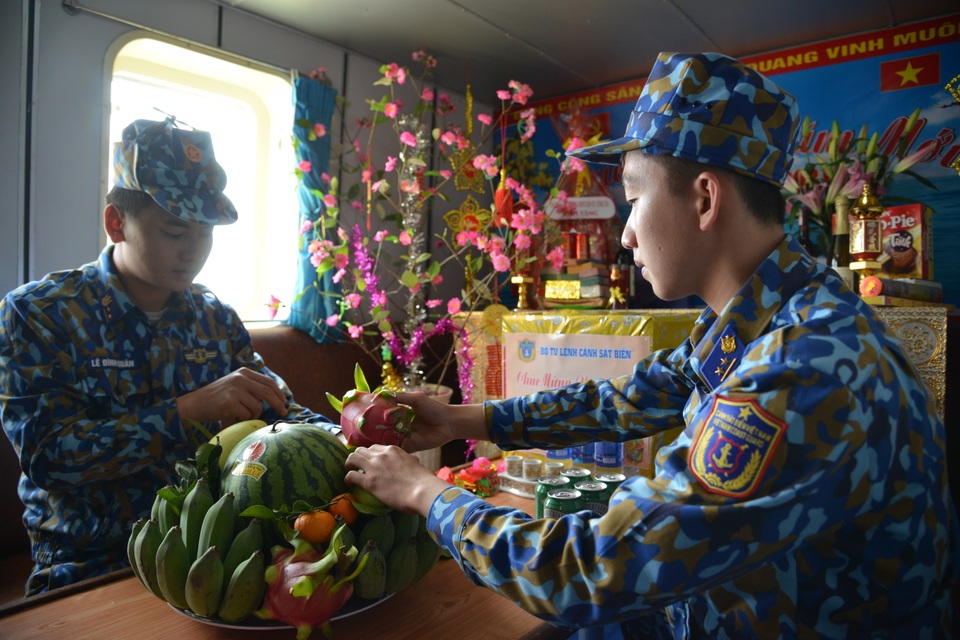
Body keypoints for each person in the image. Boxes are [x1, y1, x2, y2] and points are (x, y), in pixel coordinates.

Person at [344, 52, 959, 638]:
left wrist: (426, 494)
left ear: (704, 199)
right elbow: (639, 394)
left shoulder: (801, 366)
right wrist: (464, 417)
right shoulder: (776, 312)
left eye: (634, 201)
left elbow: (589, 570)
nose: (628, 234)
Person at [0, 117, 336, 596]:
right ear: (117, 221)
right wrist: (187, 411)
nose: (194, 252)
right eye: (176, 232)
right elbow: (50, 457)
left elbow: (276, 406)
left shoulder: (214, 318)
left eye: (206, 233)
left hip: (210, 548)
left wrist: (348, 440)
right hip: (90, 562)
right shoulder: (40, 314)